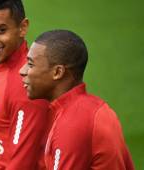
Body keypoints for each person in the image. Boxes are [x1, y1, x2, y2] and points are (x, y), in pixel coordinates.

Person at [19, 30, 134, 169]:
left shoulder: (72, 123)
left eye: (31, 64)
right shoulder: (93, 108)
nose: (22, 70)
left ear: (57, 72)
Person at [0, 0, 51, 169]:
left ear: (22, 27)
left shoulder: (24, 83)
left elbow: (23, 164)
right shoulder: (5, 71)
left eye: (1, 30)